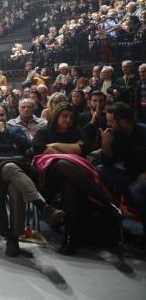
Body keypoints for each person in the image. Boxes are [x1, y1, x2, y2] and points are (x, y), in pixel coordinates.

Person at [0, 103, 65, 257]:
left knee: (15, 188)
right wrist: (10, 148)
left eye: (2, 115)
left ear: (6, 116)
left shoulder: (14, 130)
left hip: (15, 171)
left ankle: (13, 239)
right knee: (9, 166)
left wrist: (6, 132)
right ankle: (42, 205)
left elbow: (28, 145)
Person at [32, 102, 117, 255]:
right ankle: (105, 202)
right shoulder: (43, 132)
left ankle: (71, 237)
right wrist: (71, 148)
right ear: (56, 115)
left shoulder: (77, 132)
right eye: (64, 116)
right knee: (63, 163)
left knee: (69, 184)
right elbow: (42, 149)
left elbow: (83, 149)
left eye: (71, 117)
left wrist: (55, 146)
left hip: (74, 176)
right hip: (49, 173)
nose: (68, 120)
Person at [97, 102, 146, 224]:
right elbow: (108, 162)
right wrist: (106, 144)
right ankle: (113, 217)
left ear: (123, 122)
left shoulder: (143, 132)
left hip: (143, 175)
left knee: (135, 190)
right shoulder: (116, 135)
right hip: (129, 175)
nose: (108, 125)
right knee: (100, 169)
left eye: (111, 122)